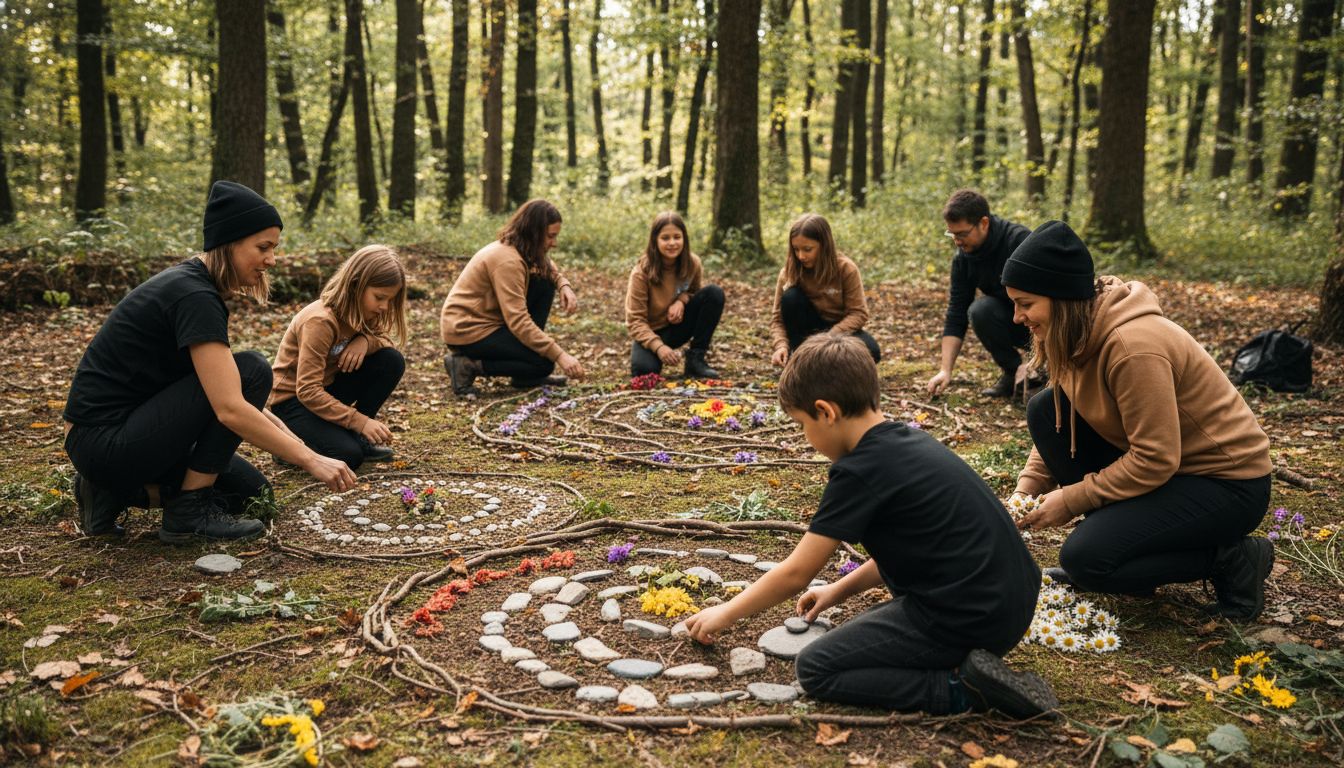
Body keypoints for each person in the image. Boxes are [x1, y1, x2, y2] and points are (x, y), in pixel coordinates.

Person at [684, 333, 1056, 719]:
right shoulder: (909, 441)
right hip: (1010, 604)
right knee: (865, 635)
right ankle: (966, 665)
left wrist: (724, 612)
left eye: (802, 425)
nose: (806, 438)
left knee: (817, 668)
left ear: (826, 412)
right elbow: (922, 547)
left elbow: (796, 573)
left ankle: (961, 690)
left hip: (967, 618)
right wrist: (839, 589)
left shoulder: (859, 471)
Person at [1005, 221, 1274, 620]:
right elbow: (1061, 422)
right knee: (1044, 408)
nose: (1016, 317)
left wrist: (1073, 498)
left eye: (1025, 303)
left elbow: (1155, 458)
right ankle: (1131, 551)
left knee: (1086, 561)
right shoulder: (1073, 333)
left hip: (1226, 485)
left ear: (1060, 297)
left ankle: (1232, 558)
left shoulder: (1134, 347)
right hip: (1171, 473)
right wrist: (1023, 493)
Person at [63, 181, 357, 542]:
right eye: (263, 247)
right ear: (230, 242)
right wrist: (311, 461)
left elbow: (228, 394)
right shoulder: (193, 296)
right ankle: (185, 512)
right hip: (104, 441)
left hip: (124, 434)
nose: (272, 260)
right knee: (252, 369)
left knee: (247, 493)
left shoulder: (194, 286)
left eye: (274, 248)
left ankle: (110, 492)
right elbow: (231, 407)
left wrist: (305, 448)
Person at [269, 244, 408, 470]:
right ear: (355, 286)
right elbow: (307, 390)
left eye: (390, 300)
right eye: (379, 297)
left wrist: (364, 341)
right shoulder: (320, 321)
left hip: (327, 390)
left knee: (390, 360)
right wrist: (359, 421)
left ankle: (354, 436)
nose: (384, 306)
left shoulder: (365, 312)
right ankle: (288, 445)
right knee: (349, 456)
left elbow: (385, 341)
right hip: (293, 403)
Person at [440, 199, 584, 397]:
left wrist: (562, 284)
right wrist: (560, 355)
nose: (554, 243)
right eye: (550, 236)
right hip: (467, 329)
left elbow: (546, 267)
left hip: (488, 323)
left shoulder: (522, 249)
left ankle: (525, 374)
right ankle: (466, 365)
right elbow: (518, 321)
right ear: (534, 232)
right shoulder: (507, 261)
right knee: (543, 362)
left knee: (544, 282)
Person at [926, 189, 1041, 399]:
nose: (957, 241)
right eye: (952, 234)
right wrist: (945, 370)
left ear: (984, 223)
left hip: (1043, 322)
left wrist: (1041, 356)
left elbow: (1051, 299)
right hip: (1013, 322)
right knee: (980, 310)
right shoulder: (963, 259)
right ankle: (1013, 371)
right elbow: (956, 313)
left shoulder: (1019, 242)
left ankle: (1044, 369)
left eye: (962, 234)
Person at [768, 213, 880, 367]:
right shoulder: (788, 272)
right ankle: (801, 358)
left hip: (840, 331)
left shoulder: (846, 269)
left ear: (824, 245)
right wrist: (781, 346)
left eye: (808, 249)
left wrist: (828, 339)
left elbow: (858, 313)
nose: (801, 256)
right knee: (791, 297)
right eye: (796, 249)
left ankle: (820, 360)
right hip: (805, 332)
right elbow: (778, 319)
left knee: (872, 352)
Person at [625, 211, 725, 379]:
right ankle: (653, 355)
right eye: (665, 238)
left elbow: (695, 292)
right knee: (644, 373)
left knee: (714, 293)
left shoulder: (692, 263)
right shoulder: (641, 273)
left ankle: (695, 359)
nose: (672, 243)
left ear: (684, 239)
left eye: (677, 237)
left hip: (679, 327)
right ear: (655, 241)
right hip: (652, 331)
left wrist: (681, 300)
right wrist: (659, 347)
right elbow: (635, 321)